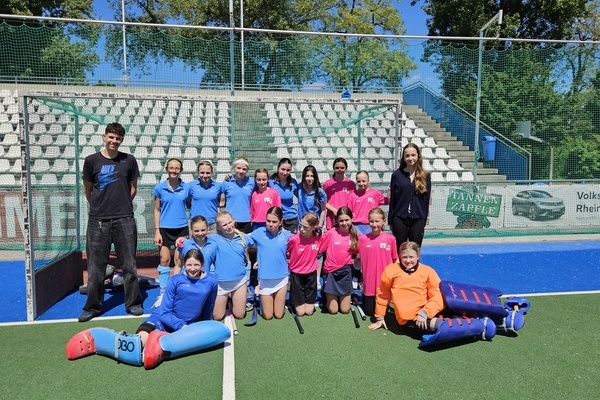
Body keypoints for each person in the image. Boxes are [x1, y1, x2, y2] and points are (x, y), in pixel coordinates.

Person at [66, 249, 229, 369]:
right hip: (162, 320)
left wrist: (203, 329)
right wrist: (182, 327)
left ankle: (159, 344)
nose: (192, 268)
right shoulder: (175, 280)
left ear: (202, 264)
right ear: (184, 264)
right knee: (137, 346)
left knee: (147, 357)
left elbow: (208, 308)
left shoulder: (211, 281)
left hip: (186, 327)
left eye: (196, 265)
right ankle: (99, 338)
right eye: (189, 265)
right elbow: (164, 312)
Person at [79, 122, 143, 322]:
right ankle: (93, 306)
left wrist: (121, 206)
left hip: (125, 219)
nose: (114, 141)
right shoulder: (91, 161)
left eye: (118, 138)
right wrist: (101, 207)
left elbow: (132, 189)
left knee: (129, 265)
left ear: (121, 140)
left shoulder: (129, 160)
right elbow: (88, 190)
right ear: (104, 137)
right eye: (111, 137)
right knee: (96, 267)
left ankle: (133, 303)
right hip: (98, 221)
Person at [368, 241, 443, 331]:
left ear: (418, 256)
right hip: (409, 319)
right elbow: (383, 294)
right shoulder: (391, 270)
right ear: (399, 256)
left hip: (426, 311)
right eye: (404, 257)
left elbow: (438, 295)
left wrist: (425, 312)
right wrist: (380, 317)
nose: (408, 261)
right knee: (442, 326)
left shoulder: (428, 271)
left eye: (411, 257)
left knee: (454, 314)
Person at [202, 210, 253, 320]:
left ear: (234, 220)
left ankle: (232, 301)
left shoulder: (243, 237)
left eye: (230, 222)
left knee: (240, 315)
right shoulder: (214, 239)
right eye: (224, 225)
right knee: (217, 317)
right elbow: (198, 242)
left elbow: (261, 241)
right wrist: (181, 241)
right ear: (219, 227)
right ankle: (227, 301)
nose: (229, 226)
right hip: (221, 284)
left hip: (239, 282)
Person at [152, 158, 190, 308]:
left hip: (182, 229)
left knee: (179, 262)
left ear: (181, 170)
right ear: (167, 169)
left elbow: (191, 205)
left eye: (177, 168)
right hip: (164, 229)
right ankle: (163, 293)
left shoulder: (186, 188)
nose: (174, 170)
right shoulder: (159, 188)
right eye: (171, 168)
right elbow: (156, 209)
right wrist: (157, 232)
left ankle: (177, 291)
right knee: (164, 260)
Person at [248, 206, 292, 319]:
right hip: (265, 279)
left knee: (278, 315)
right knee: (268, 316)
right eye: (268, 221)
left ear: (281, 222)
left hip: (281, 278)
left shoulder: (287, 235)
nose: (270, 224)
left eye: (274, 222)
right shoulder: (258, 233)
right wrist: (248, 260)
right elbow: (242, 240)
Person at [357, 208, 398, 317]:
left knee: (383, 313)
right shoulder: (362, 239)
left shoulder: (390, 239)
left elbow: (395, 259)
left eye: (377, 221)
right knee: (369, 312)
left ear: (383, 221)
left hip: (384, 282)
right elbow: (354, 255)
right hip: (369, 281)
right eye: (371, 221)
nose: (374, 224)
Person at [389, 143, 431, 247]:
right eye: (407, 155)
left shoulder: (425, 175)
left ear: (418, 156)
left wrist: (424, 218)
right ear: (403, 157)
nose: (410, 158)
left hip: (418, 217)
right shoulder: (396, 175)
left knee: (415, 249)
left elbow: (426, 201)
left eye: (413, 155)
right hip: (399, 217)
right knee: (401, 248)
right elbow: (393, 199)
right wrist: (391, 220)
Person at [320, 206, 359, 314]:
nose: (344, 223)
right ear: (337, 220)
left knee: (345, 310)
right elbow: (320, 249)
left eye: (347, 220)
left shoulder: (355, 235)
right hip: (331, 272)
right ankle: (326, 293)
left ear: (352, 219)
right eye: (341, 220)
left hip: (345, 272)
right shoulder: (331, 233)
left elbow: (358, 253)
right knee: (333, 310)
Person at [287, 212, 322, 316]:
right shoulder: (293, 239)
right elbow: (287, 253)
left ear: (314, 227)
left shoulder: (318, 238)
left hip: (311, 275)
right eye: (301, 225)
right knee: (300, 313)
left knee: (309, 312)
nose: (301, 229)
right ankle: (296, 301)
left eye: (305, 227)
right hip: (296, 275)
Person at [188, 160, 223, 236]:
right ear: (198, 173)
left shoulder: (218, 186)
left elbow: (222, 202)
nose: (205, 175)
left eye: (208, 173)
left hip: (212, 225)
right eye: (202, 172)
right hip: (196, 225)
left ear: (212, 173)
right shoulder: (191, 186)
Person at [349, 170, 388, 235]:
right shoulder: (352, 195)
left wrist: (390, 192)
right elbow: (349, 212)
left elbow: (388, 201)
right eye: (359, 181)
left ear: (368, 181)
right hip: (356, 226)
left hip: (372, 225)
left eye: (364, 181)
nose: (361, 183)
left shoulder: (375, 193)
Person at [222, 156, 254, 234]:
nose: (241, 171)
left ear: (247, 170)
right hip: (230, 221)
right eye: (238, 168)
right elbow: (221, 201)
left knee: (245, 241)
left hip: (246, 221)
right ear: (234, 168)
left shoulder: (252, 182)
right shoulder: (226, 182)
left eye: (244, 169)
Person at [323, 158, 356, 229]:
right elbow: (323, 202)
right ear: (333, 168)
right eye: (337, 168)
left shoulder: (351, 184)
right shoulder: (327, 184)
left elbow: (353, 201)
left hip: (346, 217)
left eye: (342, 168)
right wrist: (334, 210)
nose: (339, 170)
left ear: (346, 168)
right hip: (332, 217)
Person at [269, 158, 299, 233]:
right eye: (283, 169)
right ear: (278, 168)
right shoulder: (270, 182)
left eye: (288, 170)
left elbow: (302, 197)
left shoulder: (293, 183)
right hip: (275, 218)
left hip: (291, 219)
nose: (285, 172)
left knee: (291, 240)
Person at [296, 165, 327, 230]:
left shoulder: (320, 192)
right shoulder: (299, 188)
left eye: (312, 176)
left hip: (314, 226)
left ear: (315, 177)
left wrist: (320, 225)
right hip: (302, 225)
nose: (309, 178)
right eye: (307, 176)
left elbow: (323, 210)